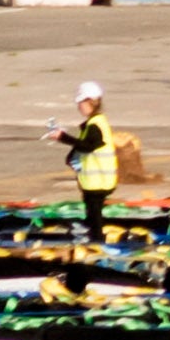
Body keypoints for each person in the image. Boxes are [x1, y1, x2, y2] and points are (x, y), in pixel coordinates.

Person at [49, 82, 120, 230]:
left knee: (95, 217)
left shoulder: (95, 125)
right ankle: (93, 237)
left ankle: (98, 242)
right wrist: (72, 157)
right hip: (96, 182)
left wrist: (63, 137)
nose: (79, 106)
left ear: (90, 102)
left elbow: (88, 146)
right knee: (92, 214)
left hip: (98, 181)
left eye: (81, 102)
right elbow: (84, 146)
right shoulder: (93, 123)